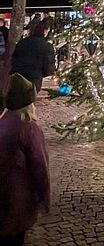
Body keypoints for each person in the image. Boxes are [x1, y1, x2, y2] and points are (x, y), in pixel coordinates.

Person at [0, 73, 50, 244]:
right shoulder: (29, 129)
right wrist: (44, 195)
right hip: (17, 197)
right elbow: (40, 165)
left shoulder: (3, 123)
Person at [10, 21, 55, 94]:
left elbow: (14, 59)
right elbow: (48, 65)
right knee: (30, 97)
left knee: (19, 97)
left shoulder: (22, 42)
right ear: (44, 31)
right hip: (35, 76)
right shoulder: (47, 46)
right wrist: (44, 73)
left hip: (19, 75)